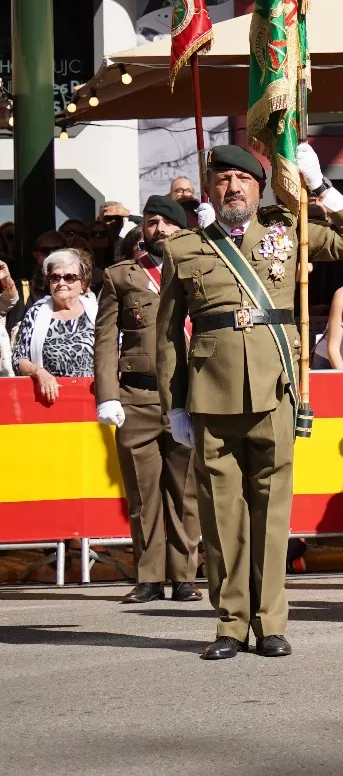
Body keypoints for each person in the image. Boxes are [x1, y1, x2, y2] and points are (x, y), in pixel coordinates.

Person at [157, 143, 343, 659]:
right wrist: (175, 404)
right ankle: (230, 624)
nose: (232, 188)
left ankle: (270, 622)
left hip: (275, 389)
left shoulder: (288, 232)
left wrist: (320, 187)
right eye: (222, 180)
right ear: (209, 189)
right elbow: (167, 335)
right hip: (211, 393)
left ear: (260, 188)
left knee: (272, 512)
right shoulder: (185, 249)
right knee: (221, 515)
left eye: (243, 180)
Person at [93, 196, 201, 604]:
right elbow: (106, 340)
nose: (159, 230)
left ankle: (185, 576)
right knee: (143, 494)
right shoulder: (122, 276)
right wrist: (108, 395)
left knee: (185, 493)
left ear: (181, 229)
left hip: (187, 395)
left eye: (166, 223)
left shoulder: (199, 268)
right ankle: (150, 577)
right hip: (137, 395)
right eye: (152, 223)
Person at [14, 248, 97, 399]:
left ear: (83, 283)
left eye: (69, 277)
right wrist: (39, 373)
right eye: (55, 277)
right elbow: (18, 359)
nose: (61, 283)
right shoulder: (35, 313)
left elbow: (114, 354)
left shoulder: (97, 313)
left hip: (91, 398)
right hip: (49, 399)